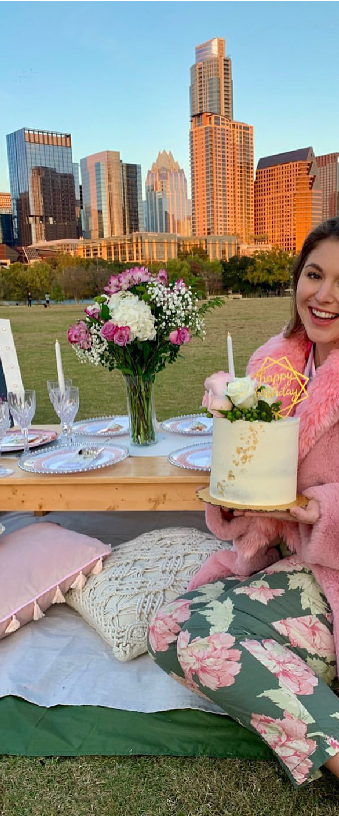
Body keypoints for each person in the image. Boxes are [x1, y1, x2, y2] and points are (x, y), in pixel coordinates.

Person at [148, 217, 339, 785]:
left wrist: (319, 510)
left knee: (199, 636)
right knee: (168, 630)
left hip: (329, 572)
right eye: (314, 274)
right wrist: (234, 502)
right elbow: (247, 467)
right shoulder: (274, 363)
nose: (324, 296)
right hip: (281, 567)